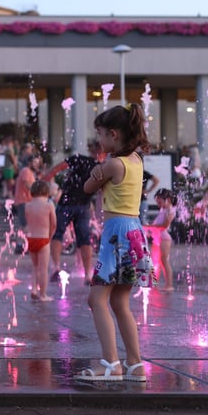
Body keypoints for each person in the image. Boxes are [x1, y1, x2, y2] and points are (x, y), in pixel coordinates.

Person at [75, 103, 153, 382]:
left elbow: (87, 187)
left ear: (113, 134)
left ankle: (110, 363)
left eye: (100, 134)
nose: (99, 140)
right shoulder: (136, 160)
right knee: (120, 302)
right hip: (134, 233)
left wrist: (96, 172)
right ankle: (135, 364)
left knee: (96, 299)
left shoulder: (112, 164)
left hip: (116, 234)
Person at [42, 142, 104, 285]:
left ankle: (56, 268)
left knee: (57, 234)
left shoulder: (77, 158)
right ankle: (88, 274)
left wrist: (41, 183)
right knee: (84, 239)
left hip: (66, 202)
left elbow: (56, 169)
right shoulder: (100, 168)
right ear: (103, 153)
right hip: (83, 205)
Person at [25, 181, 57, 301]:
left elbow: (28, 223)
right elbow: (54, 224)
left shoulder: (28, 206)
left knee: (35, 266)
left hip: (31, 238)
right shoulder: (49, 205)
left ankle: (34, 288)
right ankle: (43, 294)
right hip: (43, 238)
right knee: (43, 269)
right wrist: (50, 236)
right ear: (46, 191)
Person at [146, 188, 176, 292]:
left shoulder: (171, 210)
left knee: (164, 260)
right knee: (154, 261)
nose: (159, 205)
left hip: (164, 238)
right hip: (157, 237)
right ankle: (154, 282)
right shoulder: (163, 210)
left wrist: (148, 227)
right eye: (157, 203)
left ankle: (169, 285)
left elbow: (164, 225)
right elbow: (157, 223)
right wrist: (150, 230)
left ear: (167, 199)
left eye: (160, 202)